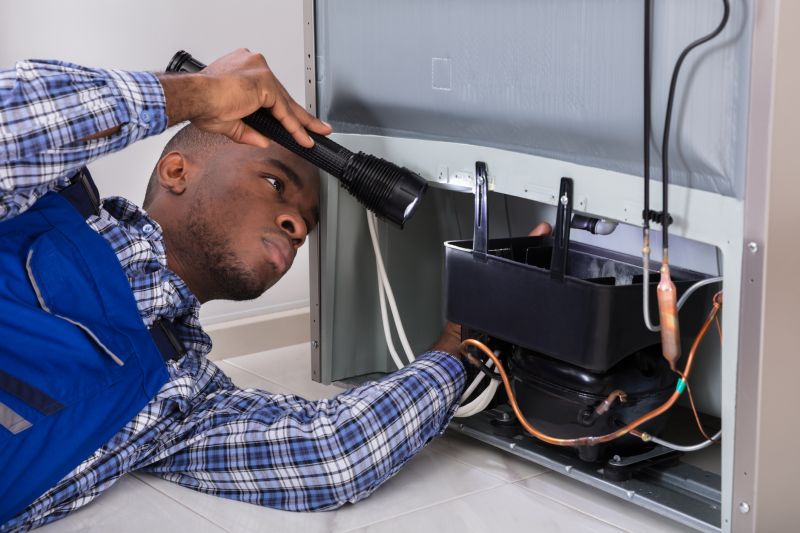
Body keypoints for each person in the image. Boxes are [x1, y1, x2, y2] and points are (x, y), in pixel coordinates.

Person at [0, 49, 469, 532]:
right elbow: (12, 122)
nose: (295, 224)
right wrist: (196, 94)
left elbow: (330, 455)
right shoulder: (36, 204)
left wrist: (462, 346)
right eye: (273, 182)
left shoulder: (178, 396)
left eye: (307, 224)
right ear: (177, 172)